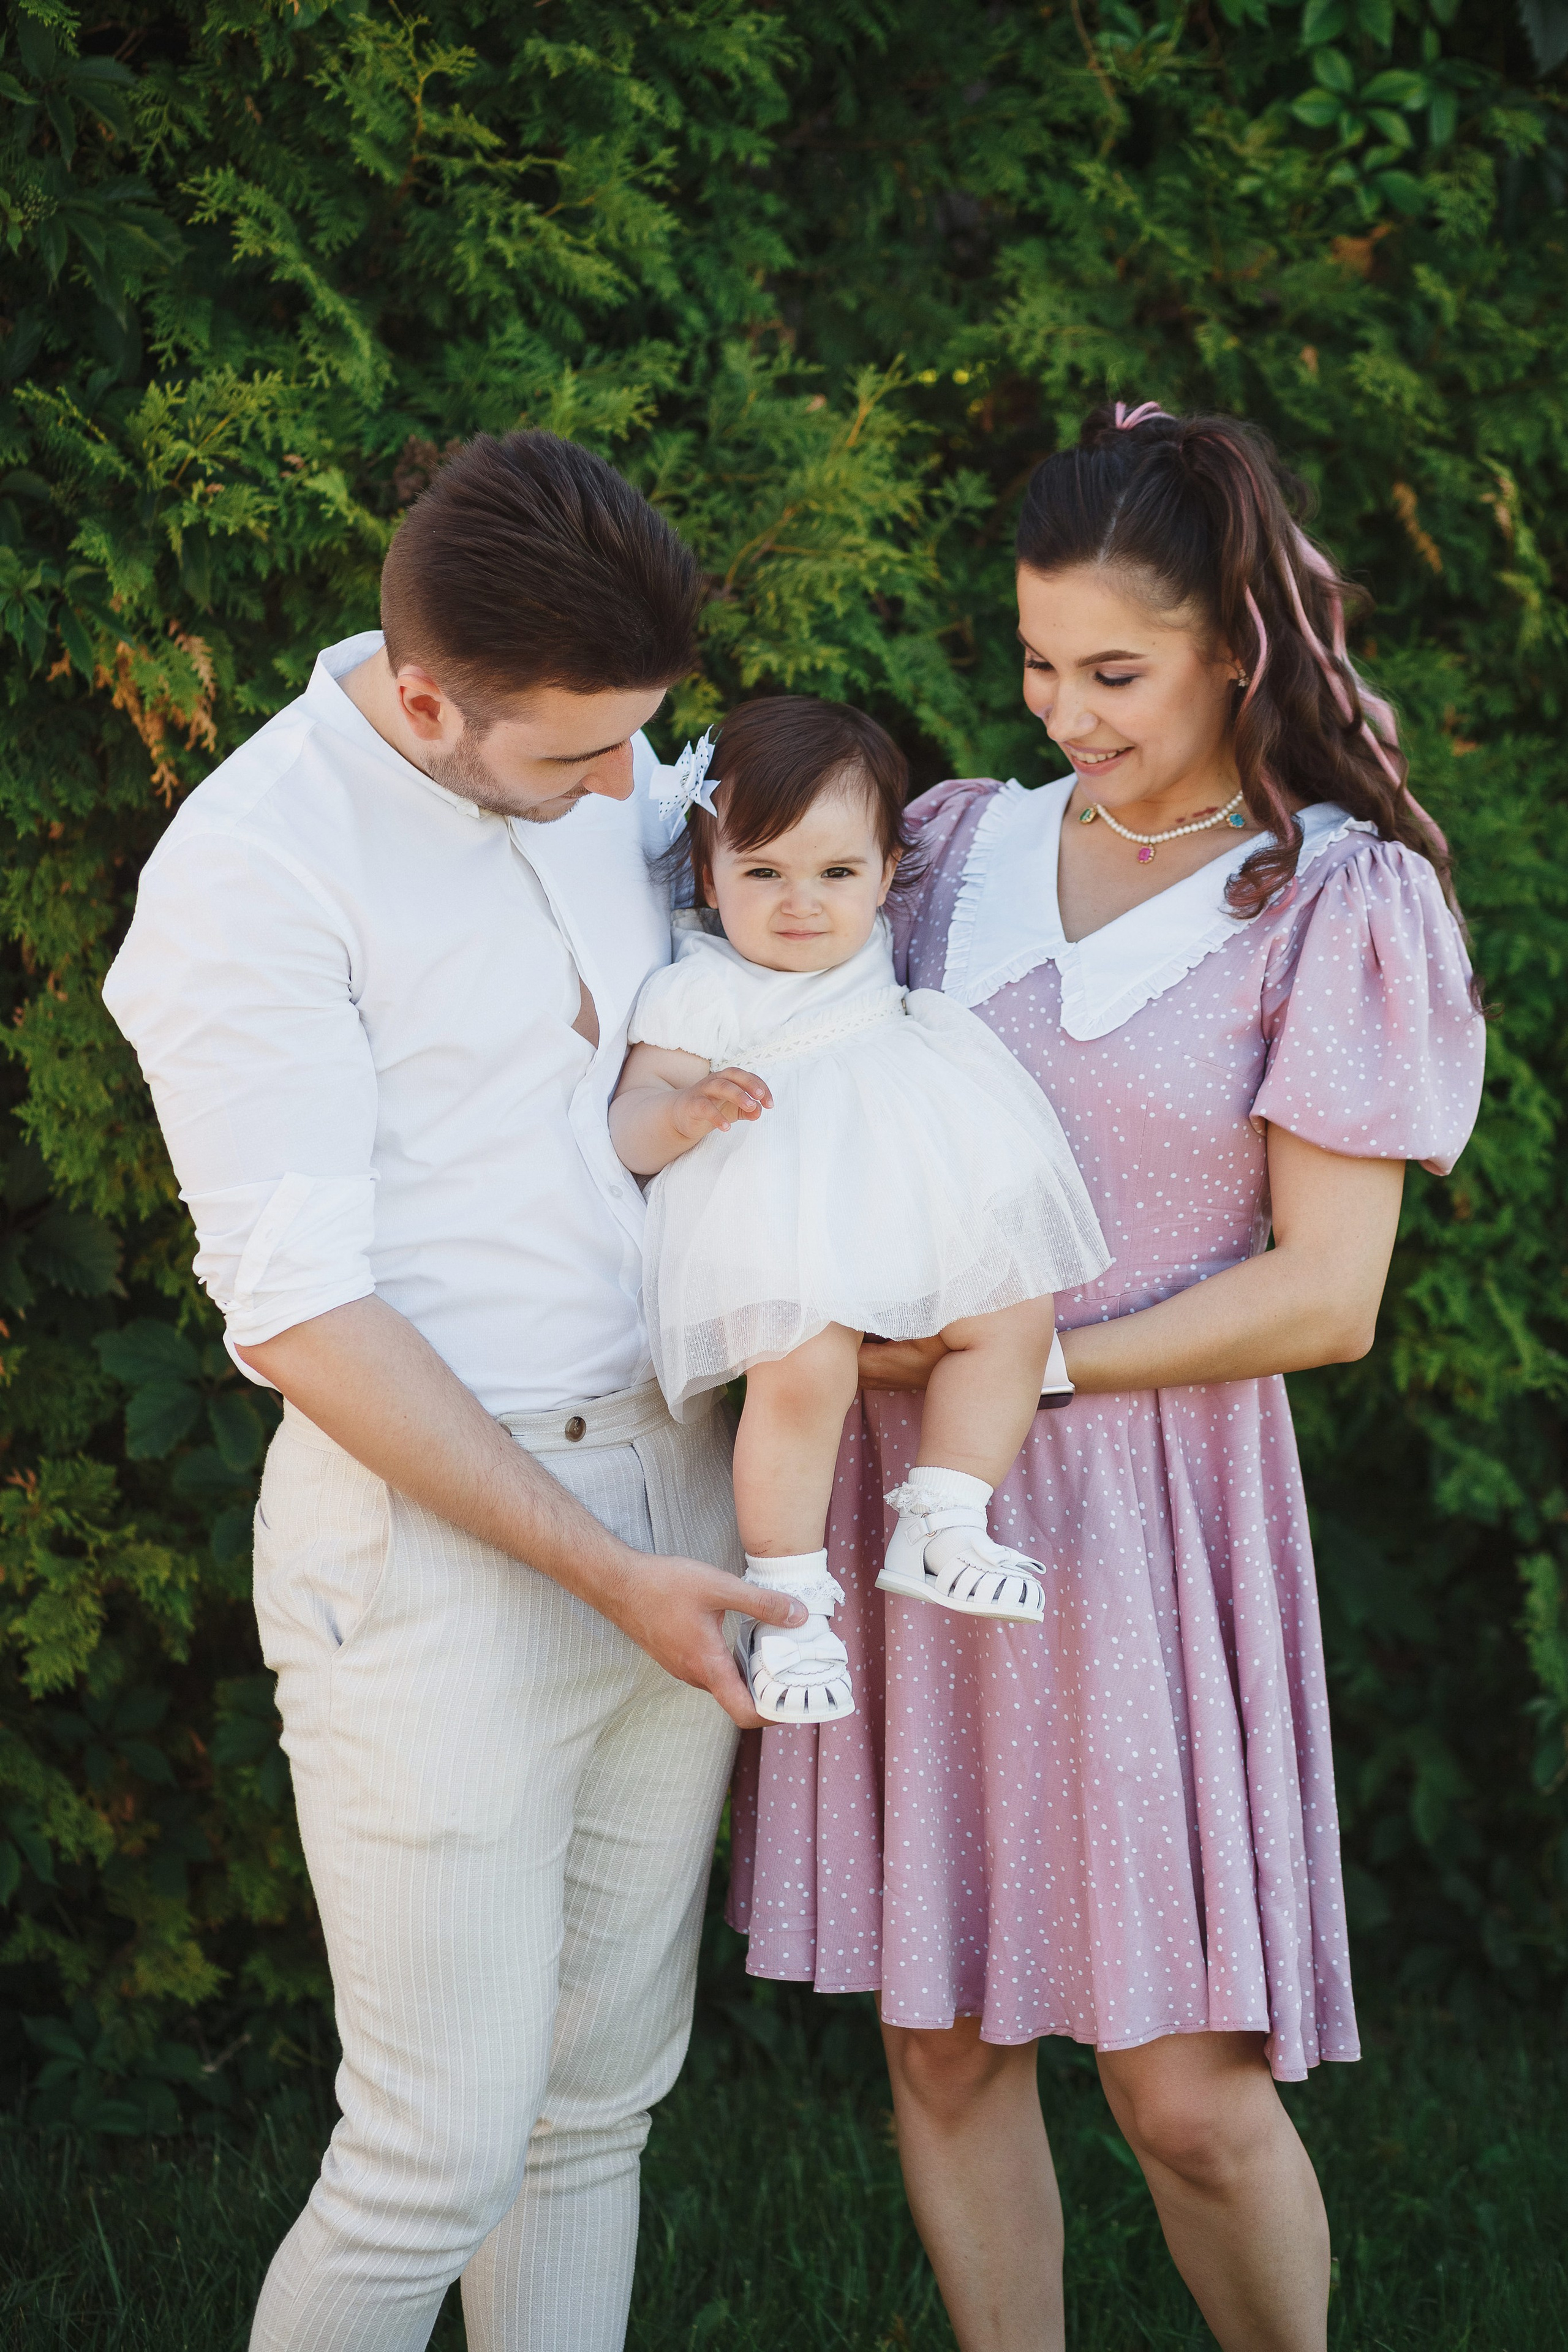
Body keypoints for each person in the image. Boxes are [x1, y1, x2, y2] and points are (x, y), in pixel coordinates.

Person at [728, 402, 1487, 2352]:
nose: (1065, 708)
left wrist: (1027, 1364)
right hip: (902, 1506)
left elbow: (1327, 1296)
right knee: (948, 2053)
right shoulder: (945, 843)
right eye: (1039, 662)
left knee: (1186, 2092)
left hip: (1144, 1516)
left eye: (1115, 672)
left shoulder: (1331, 900)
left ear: (1241, 638)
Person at [100, 430, 805, 2352]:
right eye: (581, 758)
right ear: (424, 701)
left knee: (593, 2118)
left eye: (635, 746)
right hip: (436, 1554)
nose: (631, 795)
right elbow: (308, 1316)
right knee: (435, 2149)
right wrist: (604, 1572)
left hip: (674, 1489)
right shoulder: (250, 880)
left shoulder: (579, 751)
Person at [608, 695, 1109, 1724]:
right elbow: (629, 1128)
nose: (803, 903)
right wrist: (687, 1110)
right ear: (710, 878)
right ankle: (789, 1600)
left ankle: (946, 1514)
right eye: (764, 873)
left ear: (886, 877)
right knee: (804, 1367)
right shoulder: (700, 990)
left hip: (903, 1191)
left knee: (1013, 1314)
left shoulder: (883, 967)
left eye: (838, 874)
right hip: (778, 1218)